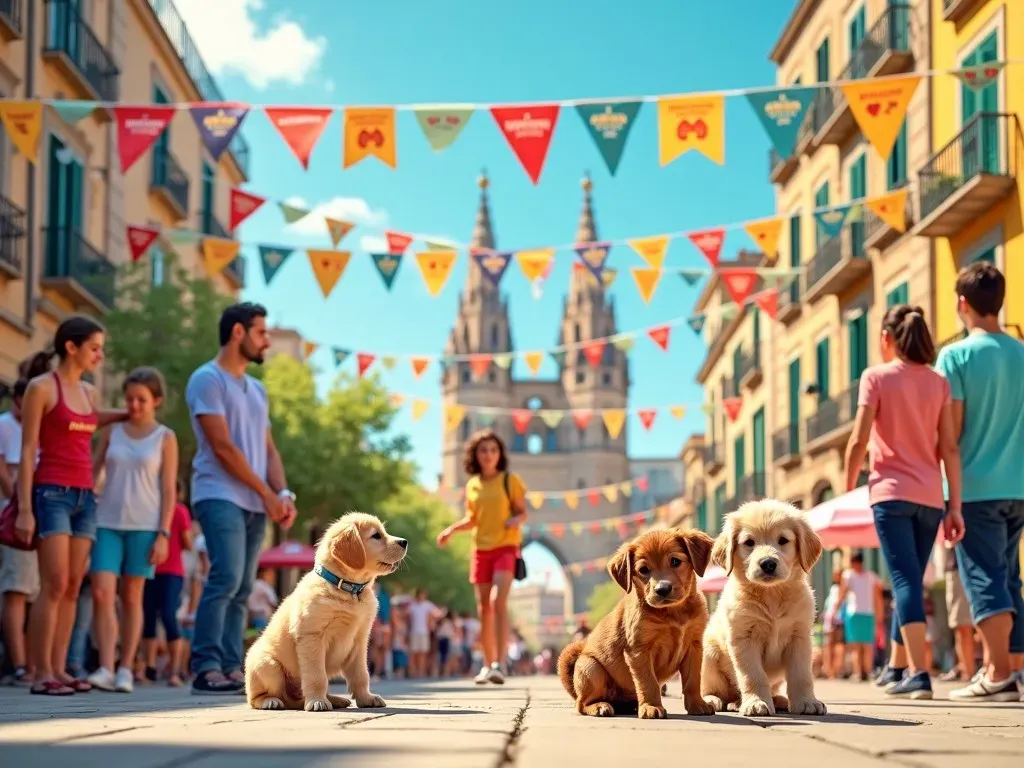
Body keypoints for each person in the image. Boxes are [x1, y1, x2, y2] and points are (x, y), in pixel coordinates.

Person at [843, 304, 964, 699]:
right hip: (931, 498)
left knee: (904, 580)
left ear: (886, 339)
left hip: (891, 495)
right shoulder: (938, 382)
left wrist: (848, 489)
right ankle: (896, 668)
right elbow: (948, 446)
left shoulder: (875, 377)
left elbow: (859, 440)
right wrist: (955, 505)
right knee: (908, 578)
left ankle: (919, 674)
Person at [185, 303, 297, 695]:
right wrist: (266, 493)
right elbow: (222, 447)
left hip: (254, 500)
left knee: (243, 587)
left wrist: (281, 493)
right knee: (226, 577)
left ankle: (232, 667)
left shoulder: (257, 389)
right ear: (238, 333)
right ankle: (206, 665)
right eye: (261, 332)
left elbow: (267, 448)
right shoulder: (207, 379)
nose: (267, 341)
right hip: (218, 493)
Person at [16, 317, 128, 696]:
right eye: (95, 347)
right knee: (54, 584)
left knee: (71, 587)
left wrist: (130, 413)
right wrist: (25, 508)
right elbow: (29, 448)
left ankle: (60, 668)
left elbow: (92, 423)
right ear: (71, 347)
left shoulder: (90, 393)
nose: (100, 354)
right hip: (51, 493)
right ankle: (39, 672)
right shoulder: (41, 388)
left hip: (85, 498)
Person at [935, 262, 1024, 702]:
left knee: (985, 579)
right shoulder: (1023, 351)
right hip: (1019, 485)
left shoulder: (955, 356)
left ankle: (1000, 675)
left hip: (975, 487)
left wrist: (951, 501)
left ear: (962, 303)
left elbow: (950, 438)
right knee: (1010, 576)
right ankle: (1005, 670)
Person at [87, 368, 179, 693]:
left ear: (156, 401)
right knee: (101, 593)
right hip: (105, 522)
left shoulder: (165, 437)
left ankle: (126, 667)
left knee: (132, 596)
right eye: (129, 399)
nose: (135, 406)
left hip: (145, 525)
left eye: (142, 399)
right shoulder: (112, 431)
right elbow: (94, 470)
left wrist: (164, 533)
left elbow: (169, 489)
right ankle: (105, 666)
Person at [437, 429, 528, 685]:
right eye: (483, 450)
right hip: (481, 550)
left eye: (493, 450)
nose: (488, 455)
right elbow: (472, 519)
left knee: (499, 601)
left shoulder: (510, 481)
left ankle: (500, 663)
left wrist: (515, 519)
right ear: (475, 455)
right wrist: (452, 530)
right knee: (484, 608)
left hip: (506, 547)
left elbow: (523, 512)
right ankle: (487, 665)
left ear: (500, 454)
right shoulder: (473, 485)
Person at [0, 379, 39, 686]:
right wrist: (22, 502)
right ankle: (21, 665)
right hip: (14, 515)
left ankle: (36, 660)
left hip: (45, 512)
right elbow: (3, 469)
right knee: (16, 589)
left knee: (38, 591)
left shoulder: (43, 427)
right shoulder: (5, 426)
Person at [142, 480, 193, 686]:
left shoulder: (178, 511)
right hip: (153, 570)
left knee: (165, 616)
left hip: (170, 571)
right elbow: (188, 543)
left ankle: (174, 669)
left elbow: (188, 543)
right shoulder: (173, 510)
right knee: (152, 618)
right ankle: (151, 668)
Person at [835, 553, 883, 682]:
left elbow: (842, 593)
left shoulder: (848, 575)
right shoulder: (872, 576)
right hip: (866, 613)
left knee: (860, 646)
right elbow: (878, 596)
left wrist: (835, 609)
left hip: (855, 613)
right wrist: (879, 615)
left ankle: (860, 672)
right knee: (865, 645)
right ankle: (865, 672)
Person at [941, 544, 977, 683]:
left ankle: (972, 673)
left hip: (966, 562)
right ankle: (969, 673)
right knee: (963, 625)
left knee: (967, 624)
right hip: (964, 562)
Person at [406, 589, 437, 678]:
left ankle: (421, 672)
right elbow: (407, 617)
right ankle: (413, 672)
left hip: (424, 632)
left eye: (423, 594)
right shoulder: (412, 605)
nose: (422, 596)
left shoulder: (428, 605)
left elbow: (437, 614)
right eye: (420, 594)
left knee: (423, 653)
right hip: (414, 631)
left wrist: (431, 621)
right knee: (413, 653)